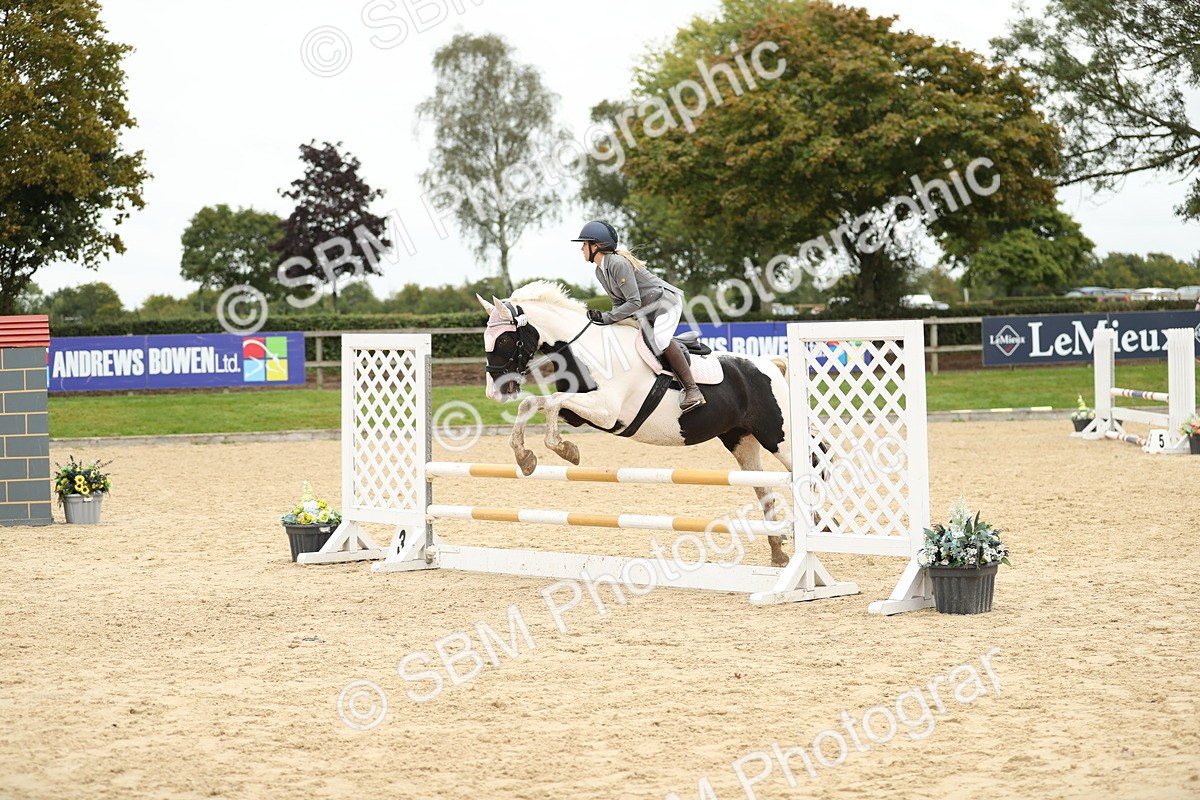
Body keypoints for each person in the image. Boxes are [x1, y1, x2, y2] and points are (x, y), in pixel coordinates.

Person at [570, 221, 705, 412]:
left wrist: (608, 317)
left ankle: (693, 390)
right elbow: (619, 303)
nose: (581, 248)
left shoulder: (617, 263)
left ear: (596, 245)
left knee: (660, 339)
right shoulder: (600, 271)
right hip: (647, 309)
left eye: (584, 244)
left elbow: (633, 302)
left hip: (666, 303)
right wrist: (605, 321)